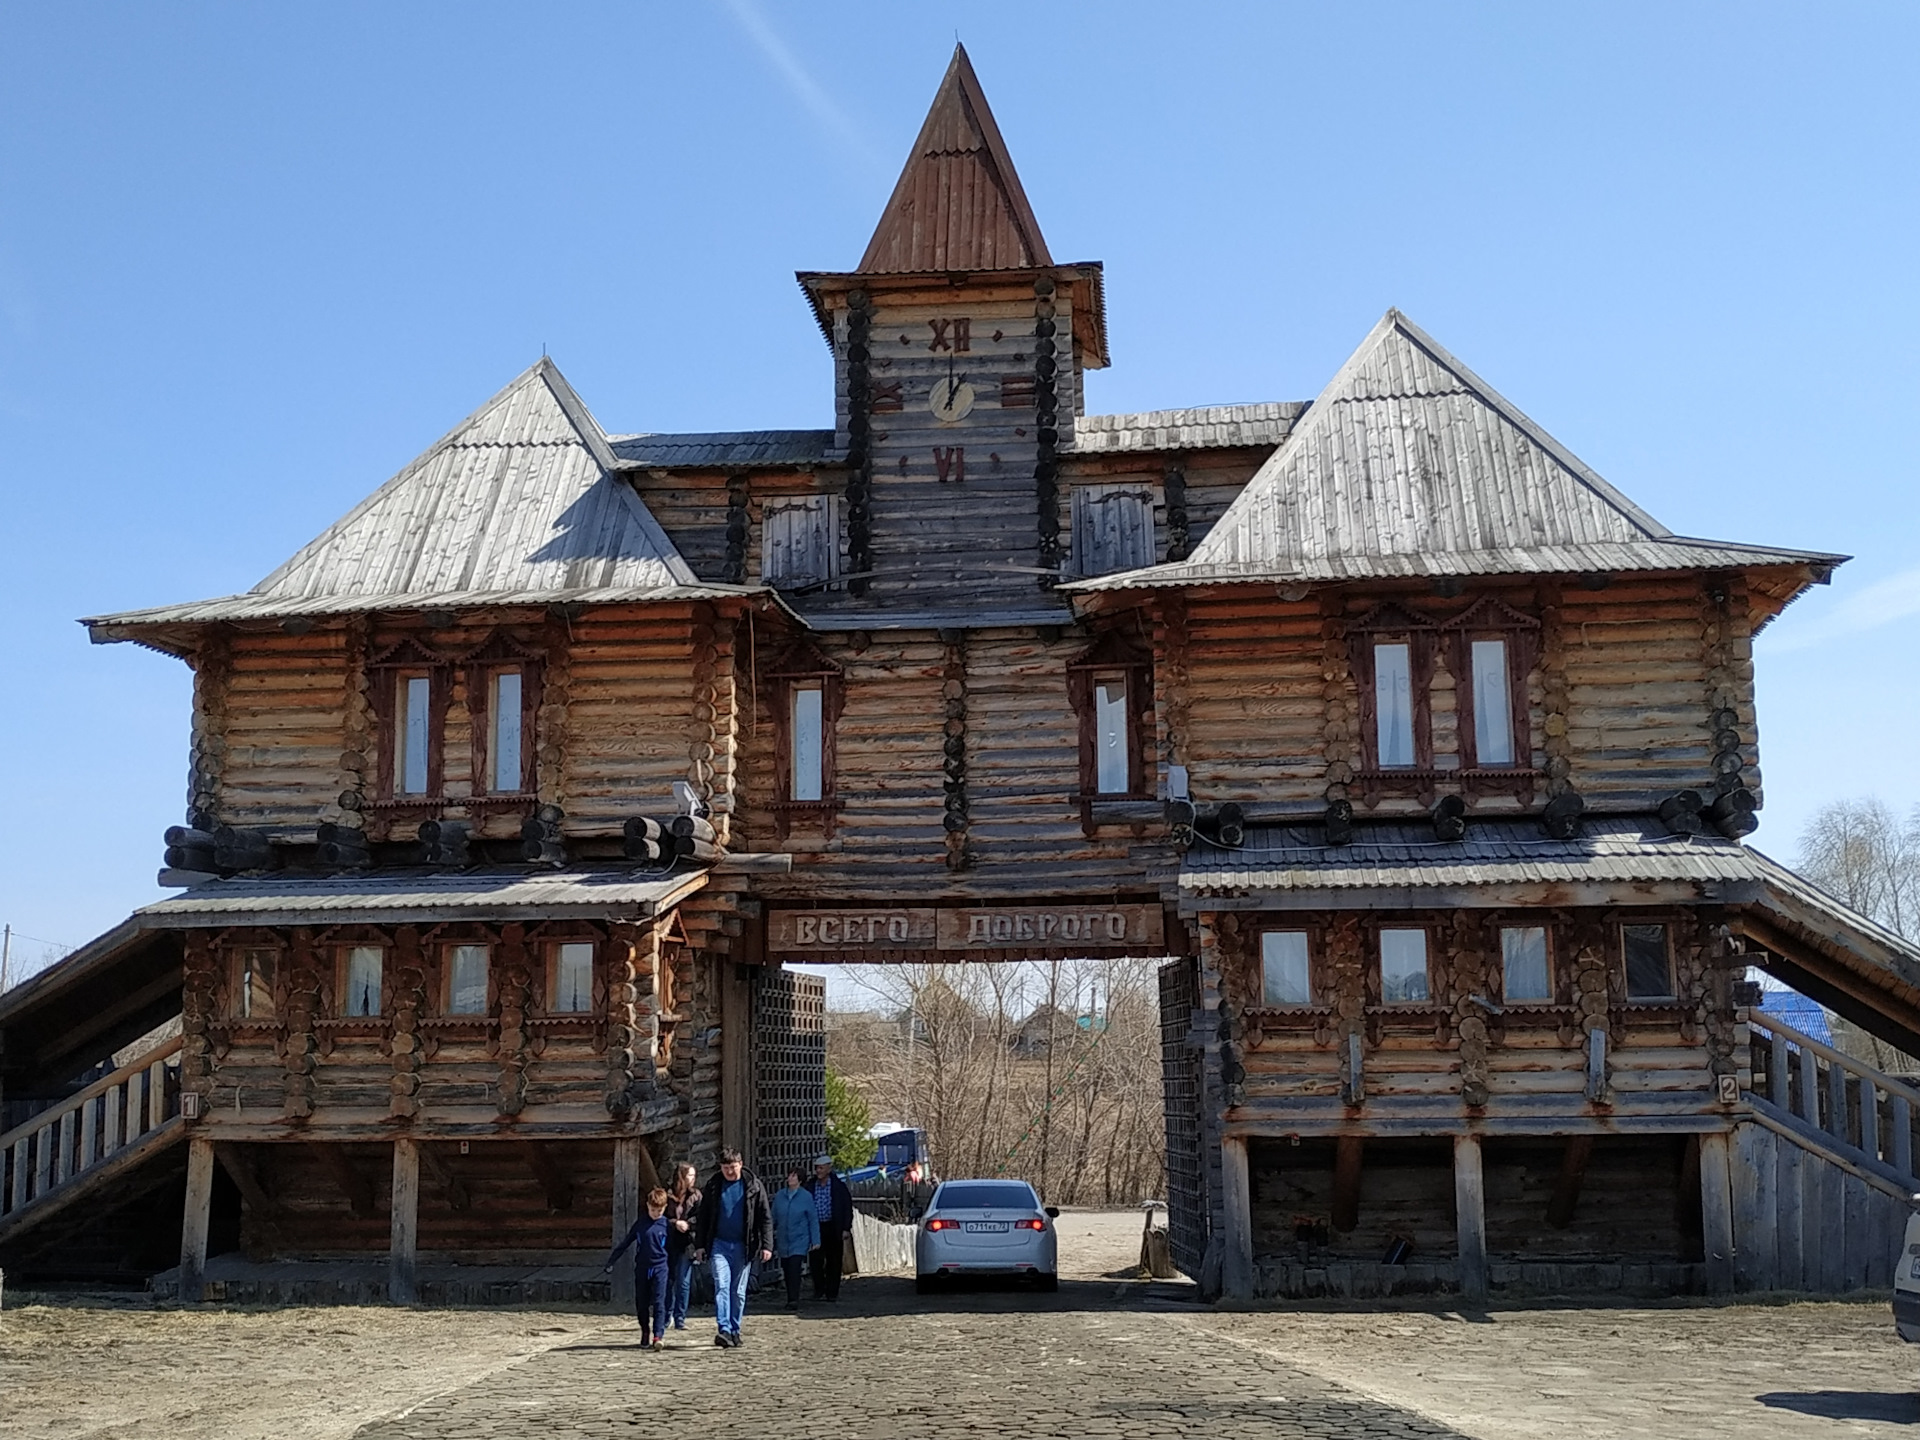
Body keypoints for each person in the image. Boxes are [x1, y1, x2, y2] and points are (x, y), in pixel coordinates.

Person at [690, 1147, 773, 1348]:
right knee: (722, 1285)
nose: (729, 1171)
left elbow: (765, 1217)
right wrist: (700, 1245)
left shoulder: (753, 1186)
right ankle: (724, 1329)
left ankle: (735, 1329)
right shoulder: (714, 1186)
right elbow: (704, 1218)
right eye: (726, 1167)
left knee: (738, 1291)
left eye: (733, 1167)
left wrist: (767, 1245)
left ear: (740, 1164)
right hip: (719, 1244)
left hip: (744, 1246)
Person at [603, 1185, 673, 1349]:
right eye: (654, 1210)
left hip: (660, 1267)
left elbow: (672, 1248)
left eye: (660, 1210)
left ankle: (658, 1335)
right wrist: (611, 1261)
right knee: (642, 1303)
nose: (657, 1213)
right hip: (642, 1268)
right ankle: (645, 1331)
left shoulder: (666, 1225)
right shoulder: (641, 1224)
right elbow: (626, 1243)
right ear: (648, 1206)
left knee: (659, 1302)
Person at [804, 1153, 854, 1302]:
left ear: (828, 1168)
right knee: (816, 1260)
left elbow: (846, 1207)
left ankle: (832, 1292)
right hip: (816, 1227)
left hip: (833, 1226)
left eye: (821, 1168)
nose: (818, 1171)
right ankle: (819, 1290)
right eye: (817, 1168)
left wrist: (846, 1228)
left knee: (834, 1260)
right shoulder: (811, 1185)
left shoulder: (839, 1187)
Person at [770, 1166, 821, 1308]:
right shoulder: (780, 1196)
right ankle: (790, 1296)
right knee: (786, 1268)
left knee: (794, 1267)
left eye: (793, 1176)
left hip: (799, 1239)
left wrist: (815, 1239)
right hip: (783, 1238)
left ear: (800, 1180)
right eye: (789, 1175)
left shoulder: (806, 1197)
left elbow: (812, 1219)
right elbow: (773, 1217)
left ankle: (793, 1299)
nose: (790, 1178)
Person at [663, 1161, 702, 1331]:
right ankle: (666, 1316)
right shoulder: (667, 1195)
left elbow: (701, 1217)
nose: (693, 1179)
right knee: (668, 1280)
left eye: (694, 1175)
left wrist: (688, 1224)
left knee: (684, 1282)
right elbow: (660, 1217)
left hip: (688, 1243)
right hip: (670, 1243)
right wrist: (674, 1223)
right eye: (690, 1175)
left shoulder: (696, 1196)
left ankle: (680, 1317)